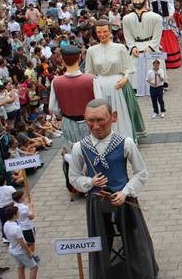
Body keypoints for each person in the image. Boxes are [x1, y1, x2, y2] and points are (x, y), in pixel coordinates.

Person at [68, 99, 158, 279]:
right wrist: (90, 182)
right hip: (96, 203)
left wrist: (125, 192)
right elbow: (74, 178)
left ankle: (139, 272)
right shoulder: (79, 147)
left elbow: (141, 173)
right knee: (101, 240)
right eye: (90, 121)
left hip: (124, 201)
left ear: (113, 117)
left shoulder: (125, 142)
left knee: (133, 237)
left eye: (101, 120)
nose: (95, 126)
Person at [85, 20, 146, 141]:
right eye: (99, 32)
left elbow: (128, 68)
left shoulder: (120, 48)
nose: (102, 34)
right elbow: (89, 72)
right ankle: (106, 138)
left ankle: (125, 138)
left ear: (110, 31)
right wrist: (95, 83)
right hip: (100, 88)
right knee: (103, 114)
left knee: (122, 113)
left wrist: (125, 79)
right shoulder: (91, 51)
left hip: (119, 86)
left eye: (105, 31)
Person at [48, 45, 98, 144]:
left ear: (62, 58)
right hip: (89, 121)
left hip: (68, 122)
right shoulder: (91, 79)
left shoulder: (56, 81)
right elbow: (100, 103)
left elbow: (52, 108)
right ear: (79, 58)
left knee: (72, 152)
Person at [123, 0, 164, 98]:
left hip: (151, 45)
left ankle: (157, 84)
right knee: (133, 62)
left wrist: (151, 47)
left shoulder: (156, 17)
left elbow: (157, 35)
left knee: (155, 61)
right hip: (136, 46)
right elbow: (127, 36)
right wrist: (132, 47)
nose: (137, 2)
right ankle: (135, 86)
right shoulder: (126, 18)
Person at [148, 0, 182, 69]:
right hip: (156, 20)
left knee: (168, 37)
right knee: (158, 38)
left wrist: (171, 15)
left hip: (167, 19)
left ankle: (172, 61)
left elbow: (171, 4)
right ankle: (160, 62)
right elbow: (150, 7)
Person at [3, 205, 38, 279]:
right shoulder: (17, 228)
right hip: (20, 251)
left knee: (20, 267)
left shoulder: (6, 224)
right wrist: (29, 252)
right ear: (14, 215)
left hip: (12, 249)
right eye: (18, 212)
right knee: (34, 267)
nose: (19, 213)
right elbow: (22, 243)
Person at [0, 175, 16, 243]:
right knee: (13, 220)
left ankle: (5, 237)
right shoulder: (10, 188)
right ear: (5, 181)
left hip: (1, 208)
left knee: (3, 222)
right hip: (10, 206)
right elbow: (15, 196)